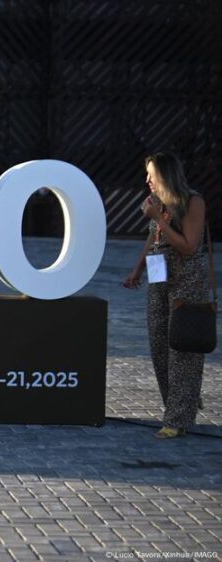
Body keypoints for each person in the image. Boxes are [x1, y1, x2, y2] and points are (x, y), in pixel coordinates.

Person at [123, 152, 209, 439]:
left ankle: (177, 418)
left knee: (181, 349)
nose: (147, 180)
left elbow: (188, 246)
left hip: (187, 281)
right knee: (159, 345)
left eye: (152, 174)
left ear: (166, 175)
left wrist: (158, 217)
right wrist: (137, 270)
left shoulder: (192, 202)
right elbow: (153, 237)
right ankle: (181, 401)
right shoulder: (157, 203)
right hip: (159, 280)